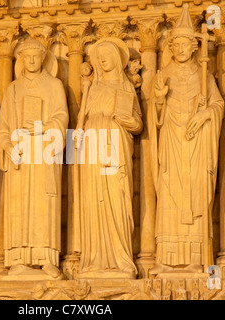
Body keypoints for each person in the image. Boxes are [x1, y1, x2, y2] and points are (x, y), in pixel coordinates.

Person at [148, 5, 225, 274]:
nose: (180, 49)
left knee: (195, 194)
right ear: (170, 47)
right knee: (170, 194)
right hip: (171, 142)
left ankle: (196, 258)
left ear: (194, 47)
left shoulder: (202, 75)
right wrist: (158, 99)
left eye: (185, 44)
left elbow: (217, 106)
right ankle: (166, 258)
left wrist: (204, 115)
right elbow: (153, 116)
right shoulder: (163, 73)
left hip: (196, 146)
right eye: (176, 44)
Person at [0, 39, 68, 278]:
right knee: (19, 203)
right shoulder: (13, 89)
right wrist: (7, 145)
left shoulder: (54, 85)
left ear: (44, 58)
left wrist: (40, 128)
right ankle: (18, 259)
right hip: (21, 155)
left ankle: (46, 258)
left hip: (45, 152)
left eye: (36, 56)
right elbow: (3, 125)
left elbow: (61, 117)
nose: (32, 61)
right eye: (27, 57)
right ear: (21, 60)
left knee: (44, 203)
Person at [75, 38, 142, 278]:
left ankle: (120, 257)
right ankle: (93, 260)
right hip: (92, 144)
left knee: (117, 197)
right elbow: (81, 120)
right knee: (93, 201)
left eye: (106, 55)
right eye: (98, 56)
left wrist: (125, 121)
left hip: (116, 141)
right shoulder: (92, 88)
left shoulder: (125, 87)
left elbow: (137, 123)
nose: (102, 59)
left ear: (116, 59)